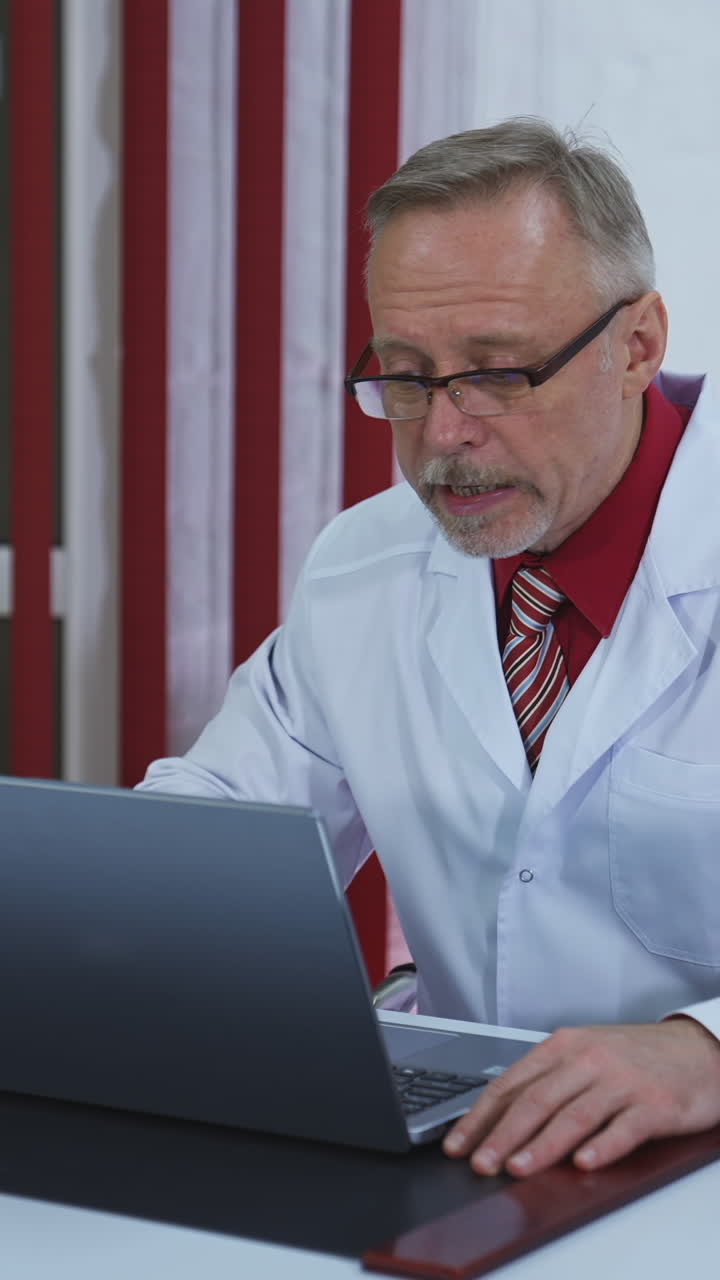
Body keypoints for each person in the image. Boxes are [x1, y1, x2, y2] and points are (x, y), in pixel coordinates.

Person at [139, 118, 720, 1178]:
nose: (445, 431)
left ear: (637, 346)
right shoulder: (367, 563)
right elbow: (215, 832)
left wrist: (706, 1049)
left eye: (497, 373)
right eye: (406, 376)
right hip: (465, 1148)